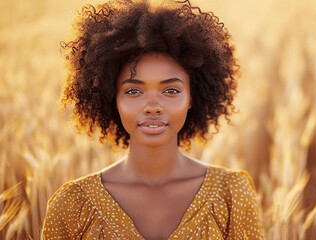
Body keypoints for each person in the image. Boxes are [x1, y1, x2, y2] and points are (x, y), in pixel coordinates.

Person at [41, 0, 264, 239]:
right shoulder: (71, 206)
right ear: (112, 98)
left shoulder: (232, 195)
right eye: (133, 91)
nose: (152, 107)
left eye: (170, 91)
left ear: (192, 97)